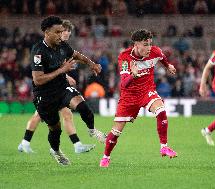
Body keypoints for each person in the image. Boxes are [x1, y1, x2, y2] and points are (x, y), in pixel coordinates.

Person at [29, 16, 106, 165]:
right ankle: (56, 151)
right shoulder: (38, 51)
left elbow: (75, 54)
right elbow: (37, 80)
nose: (60, 35)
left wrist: (92, 64)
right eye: (57, 32)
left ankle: (92, 130)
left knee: (83, 106)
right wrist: (61, 70)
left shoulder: (62, 45)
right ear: (47, 32)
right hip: (44, 95)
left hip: (62, 88)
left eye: (61, 32)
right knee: (55, 130)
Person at [99, 29, 178, 168]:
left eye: (150, 44)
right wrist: (133, 75)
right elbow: (123, 83)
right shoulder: (124, 57)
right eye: (145, 44)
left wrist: (168, 66)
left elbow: (162, 58)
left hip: (147, 91)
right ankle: (106, 157)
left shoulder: (155, 51)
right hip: (129, 97)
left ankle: (164, 146)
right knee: (116, 132)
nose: (148, 48)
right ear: (136, 44)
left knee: (161, 110)